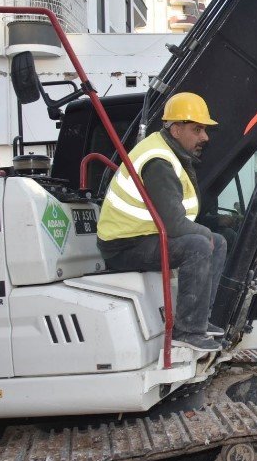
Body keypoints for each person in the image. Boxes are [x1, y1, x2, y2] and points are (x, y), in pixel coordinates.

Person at [97, 92, 229, 354]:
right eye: (198, 129)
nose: (205, 137)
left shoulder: (167, 151)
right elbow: (175, 226)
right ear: (176, 129)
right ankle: (188, 331)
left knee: (219, 241)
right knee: (198, 245)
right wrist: (206, 234)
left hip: (143, 237)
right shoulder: (159, 161)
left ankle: (200, 320)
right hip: (123, 246)